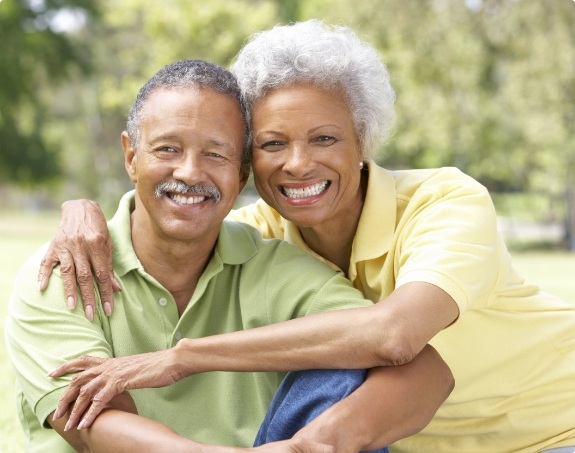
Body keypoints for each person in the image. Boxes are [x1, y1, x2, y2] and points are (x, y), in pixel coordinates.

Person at [40, 19, 575, 453]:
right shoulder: (258, 235)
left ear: (363, 139)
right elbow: (172, 208)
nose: (298, 165)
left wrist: (184, 356)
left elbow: (394, 337)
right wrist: (81, 212)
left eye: (324, 138)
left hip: (549, 432)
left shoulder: (445, 201)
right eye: (273, 143)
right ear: (250, 159)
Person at [5, 58, 449, 453]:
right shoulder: (63, 271)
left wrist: (310, 446)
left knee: (342, 377)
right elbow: (90, 427)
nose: (189, 172)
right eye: (167, 149)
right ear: (130, 156)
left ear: (240, 177)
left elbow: (427, 373)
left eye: (215, 154)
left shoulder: (278, 269)